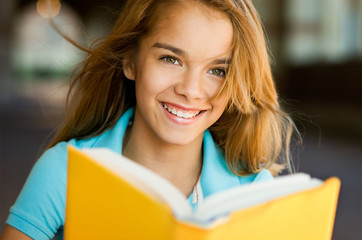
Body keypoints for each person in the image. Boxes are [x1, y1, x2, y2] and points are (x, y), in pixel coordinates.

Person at [1, 0, 297, 239]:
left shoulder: (255, 190)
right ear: (131, 60)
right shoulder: (64, 170)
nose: (191, 91)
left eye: (217, 70)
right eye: (171, 59)